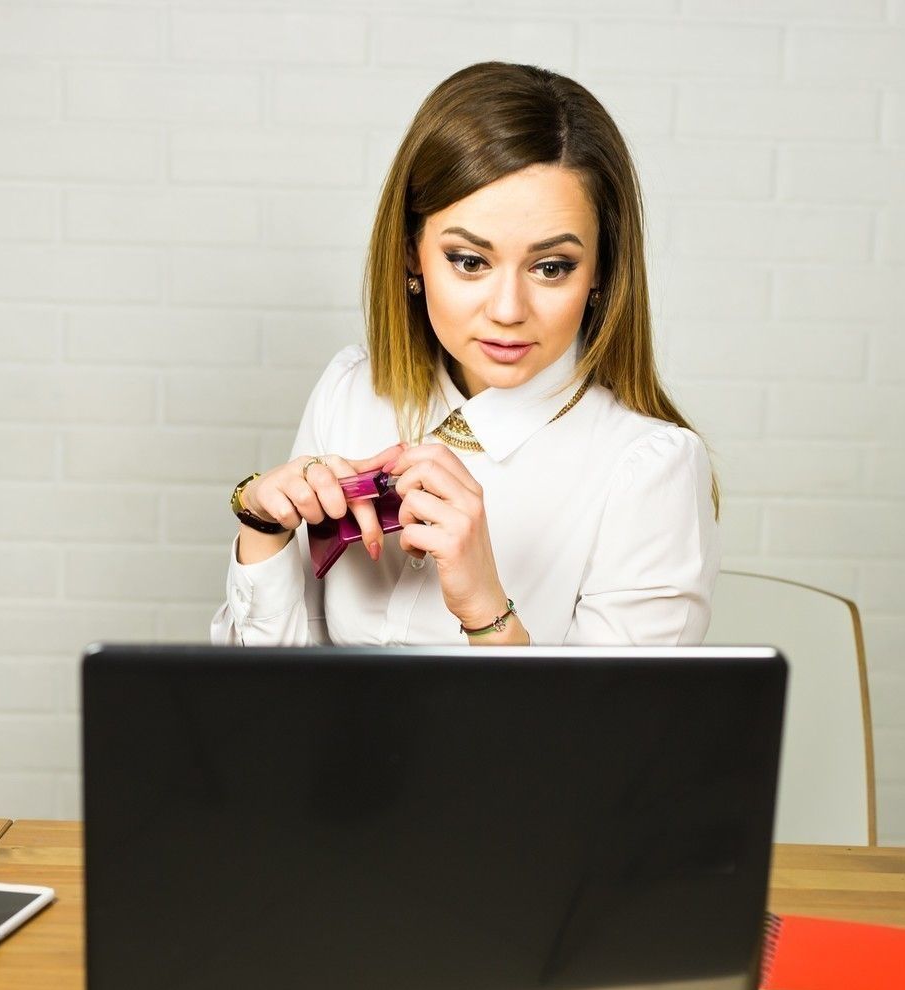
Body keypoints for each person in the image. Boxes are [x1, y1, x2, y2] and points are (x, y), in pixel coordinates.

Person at [209, 61, 719, 647]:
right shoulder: (350, 390)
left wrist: (485, 608)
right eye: (469, 261)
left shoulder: (650, 470)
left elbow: (615, 738)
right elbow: (266, 703)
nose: (507, 309)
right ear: (410, 255)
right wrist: (262, 526)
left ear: (601, 271)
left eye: (551, 267)